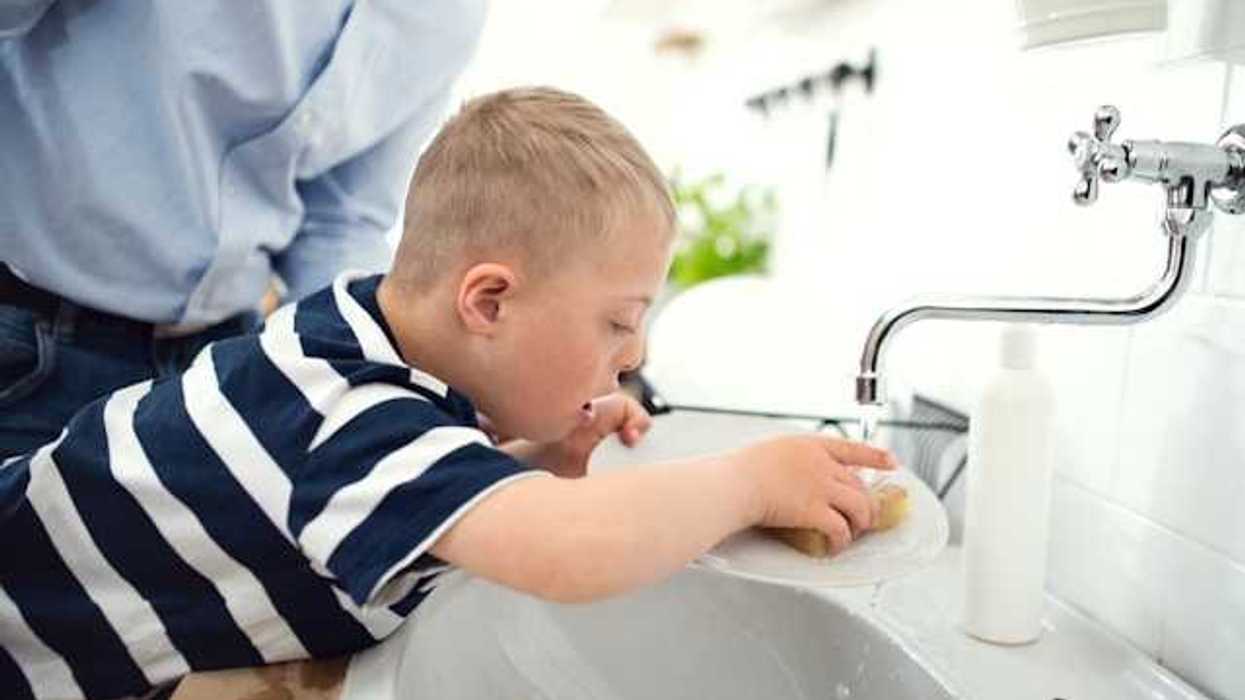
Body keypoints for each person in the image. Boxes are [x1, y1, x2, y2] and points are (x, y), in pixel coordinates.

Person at [0, 87, 896, 700]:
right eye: (618, 321)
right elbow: (564, 552)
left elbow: (397, 487)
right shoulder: (345, 410)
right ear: (490, 301)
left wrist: (534, 458)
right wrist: (747, 481)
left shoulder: (362, 336)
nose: (635, 352)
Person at [0, 0, 486, 460]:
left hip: (211, 373)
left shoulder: (447, 15)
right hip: (22, 332)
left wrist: (401, 377)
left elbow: (340, 222)